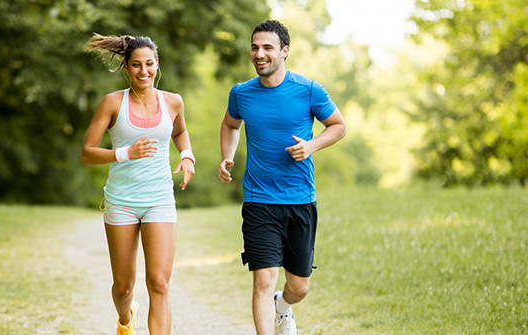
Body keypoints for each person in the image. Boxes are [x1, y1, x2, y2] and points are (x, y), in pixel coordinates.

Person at [218, 20, 346, 335]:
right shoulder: (241, 93)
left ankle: (283, 307)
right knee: (263, 279)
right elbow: (230, 125)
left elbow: (338, 125)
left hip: (301, 200)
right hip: (259, 201)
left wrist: (312, 145)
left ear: (284, 51)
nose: (259, 54)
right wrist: (227, 156)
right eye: (254, 47)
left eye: (267, 48)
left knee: (299, 287)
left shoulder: (309, 90)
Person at [81, 33, 195, 335]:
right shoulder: (111, 103)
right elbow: (87, 153)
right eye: (135, 66)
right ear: (126, 67)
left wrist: (187, 157)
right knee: (123, 286)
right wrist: (125, 153)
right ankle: (125, 319)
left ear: (157, 64)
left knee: (159, 282)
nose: (143, 72)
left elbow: (180, 133)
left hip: (159, 199)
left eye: (149, 64)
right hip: (121, 201)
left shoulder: (173, 102)